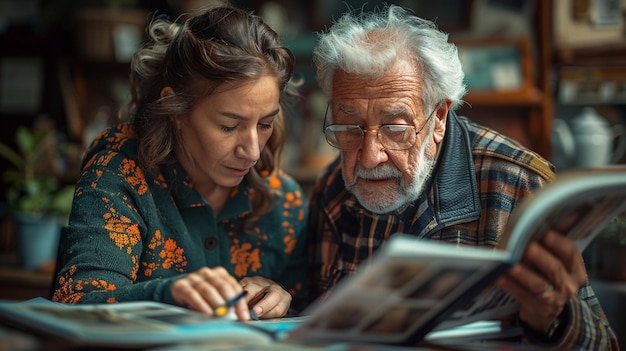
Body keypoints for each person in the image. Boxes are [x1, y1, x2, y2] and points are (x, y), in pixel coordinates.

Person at [306, 4, 618, 349]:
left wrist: (556, 318)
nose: (369, 156)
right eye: (350, 127)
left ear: (438, 117)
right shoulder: (333, 187)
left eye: (395, 128)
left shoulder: (517, 185)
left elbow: (603, 345)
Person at [51, 2, 308, 322]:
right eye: (229, 126)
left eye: (265, 124)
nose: (253, 152)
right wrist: (168, 294)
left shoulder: (283, 199)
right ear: (175, 109)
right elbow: (75, 301)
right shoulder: (120, 172)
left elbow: (313, 312)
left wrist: (281, 297)